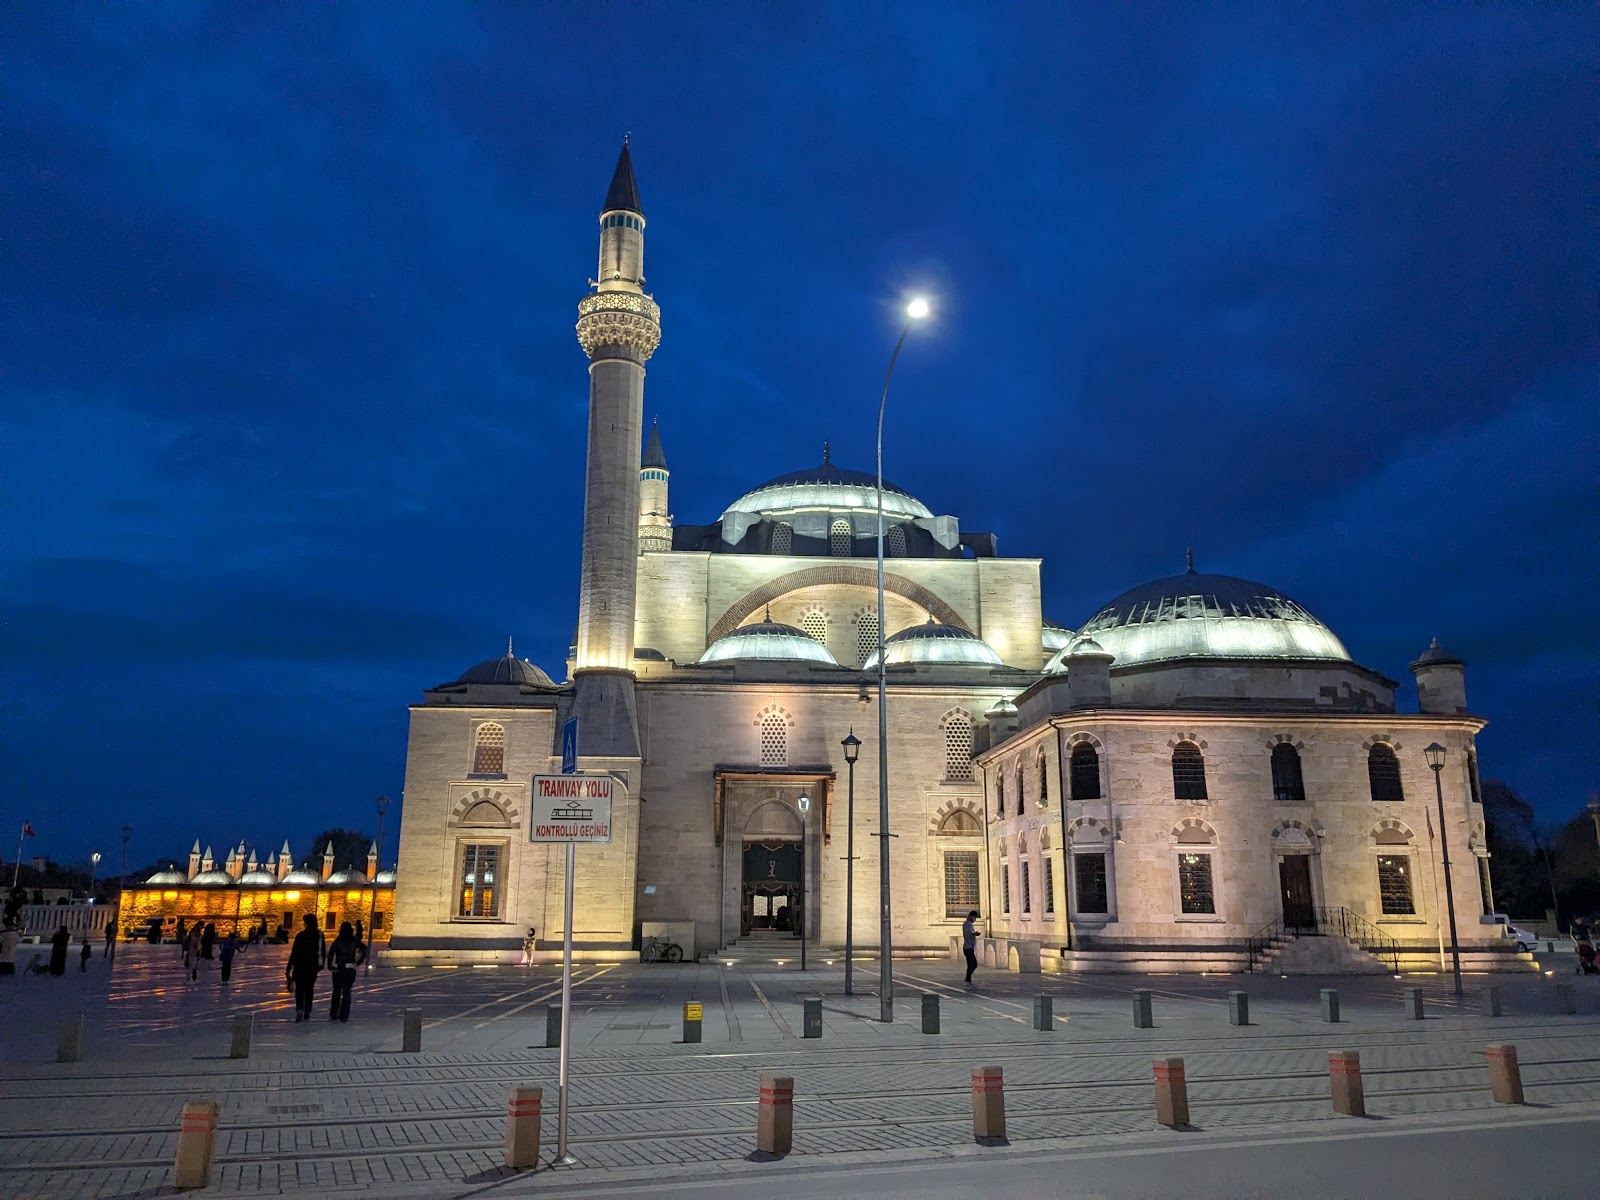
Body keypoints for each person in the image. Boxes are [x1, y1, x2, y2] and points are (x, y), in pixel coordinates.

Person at [286, 914, 325, 1022]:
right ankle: (307, 1011)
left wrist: (289, 967)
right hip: (312, 967)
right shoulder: (319, 935)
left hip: (300, 966)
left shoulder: (300, 935)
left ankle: (299, 1009)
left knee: (299, 989)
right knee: (309, 989)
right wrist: (320, 965)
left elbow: (294, 952)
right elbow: (322, 951)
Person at [327, 921, 365, 1021]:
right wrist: (358, 962)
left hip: (339, 968)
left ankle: (334, 1013)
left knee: (336, 991)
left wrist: (330, 966)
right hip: (349, 968)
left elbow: (331, 953)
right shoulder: (353, 940)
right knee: (347, 991)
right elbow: (362, 945)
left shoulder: (338, 940)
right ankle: (344, 1014)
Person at [962, 910, 980, 985]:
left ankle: (968, 978)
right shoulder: (967, 924)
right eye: (974, 917)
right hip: (968, 947)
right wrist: (975, 934)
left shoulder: (969, 924)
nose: (975, 919)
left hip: (970, 947)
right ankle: (967, 978)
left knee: (971, 964)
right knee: (972, 964)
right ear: (971, 916)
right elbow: (969, 933)